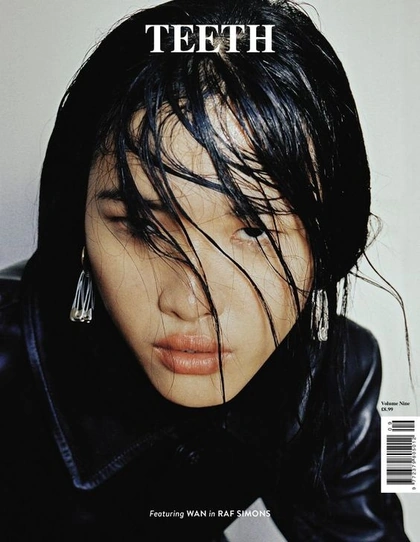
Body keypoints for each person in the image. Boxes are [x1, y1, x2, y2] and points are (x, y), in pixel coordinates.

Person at [0, 0, 410, 540]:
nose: (191, 302)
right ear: (76, 225)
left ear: (327, 242)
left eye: (255, 230)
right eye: (143, 226)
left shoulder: (340, 372)